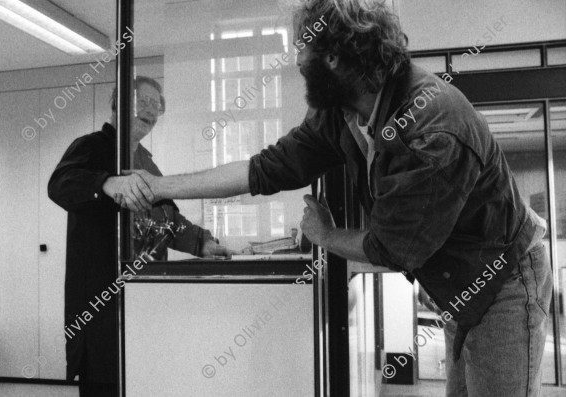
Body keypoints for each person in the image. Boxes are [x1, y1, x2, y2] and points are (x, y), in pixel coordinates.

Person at [114, 2, 553, 395]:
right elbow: (264, 168)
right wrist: (158, 186)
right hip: (459, 281)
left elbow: (393, 248)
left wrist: (324, 235)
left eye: (302, 51)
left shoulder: (431, 131)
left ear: (334, 58)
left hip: (505, 279)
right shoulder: (343, 112)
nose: (297, 62)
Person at [48, 76, 231, 396]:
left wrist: (203, 243)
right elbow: (60, 184)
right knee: (107, 382)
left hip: (144, 299)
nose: (151, 110)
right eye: (142, 102)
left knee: (141, 380)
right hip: (102, 303)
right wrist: (107, 184)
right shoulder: (91, 146)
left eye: (156, 104)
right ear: (118, 104)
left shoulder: (145, 161)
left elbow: (168, 218)